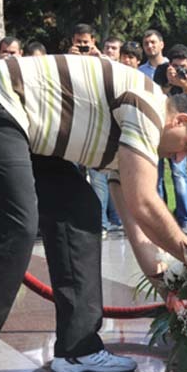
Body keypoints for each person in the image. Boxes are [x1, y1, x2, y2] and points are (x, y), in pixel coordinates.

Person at [0, 54, 187, 372]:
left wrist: (169, 283)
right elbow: (145, 202)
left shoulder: (133, 139)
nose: (178, 158)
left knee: (80, 211)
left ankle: (78, 349)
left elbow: (135, 221)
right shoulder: (148, 106)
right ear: (181, 120)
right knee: (15, 232)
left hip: (32, 133)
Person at [67, 24, 121, 231]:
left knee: (98, 175)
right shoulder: (66, 60)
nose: (82, 46)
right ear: (72, 42)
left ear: (93, 43)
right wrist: (70, 57)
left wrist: (99, 57)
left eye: (86, 43)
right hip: (73, 123)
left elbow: (113, 75)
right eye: (78, 43)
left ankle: (102, 224)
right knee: (72, 175)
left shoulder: (102, 60)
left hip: (98, 124)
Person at [153, 44, 187, 232]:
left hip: (183, 131)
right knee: (156, 177)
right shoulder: (161, 72)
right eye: (175, 66)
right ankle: (160, 218)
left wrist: (184, 85)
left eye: (183, 66)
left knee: (179, 174)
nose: (179, 70)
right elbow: (156, 97)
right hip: (162, 128)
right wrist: (168, 83)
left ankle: (186, 218)